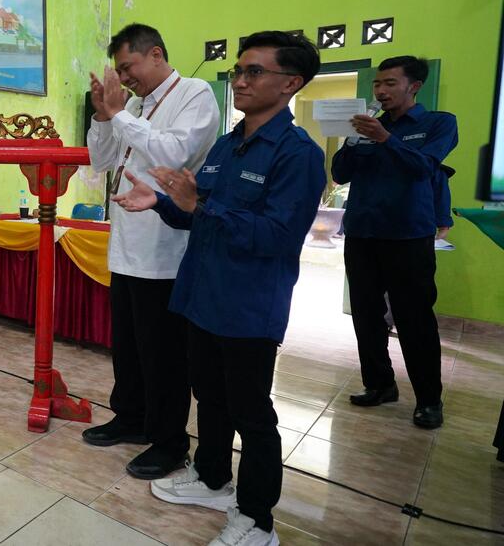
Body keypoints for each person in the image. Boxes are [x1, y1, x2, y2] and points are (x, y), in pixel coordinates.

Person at [113, 31, 326, 546]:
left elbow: (276, 236)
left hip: (249, 305)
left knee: (252, 413)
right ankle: (211, 478)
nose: (242, 80)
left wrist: (197, 206)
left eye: (255, 71)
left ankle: (256, 519)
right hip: (200, 296)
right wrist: (160, 203)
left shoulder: (297, 154)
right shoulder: (229, 145)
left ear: (290, 82)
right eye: (239, 70)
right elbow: (196, 214)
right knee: (208, 395)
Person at [83, 23, 220, 480]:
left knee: (162, 354)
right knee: (128, 347)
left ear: (156, 53)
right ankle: (131, 417)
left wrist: (121, 115)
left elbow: (174, 153)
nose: (124, 78)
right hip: (126, 245)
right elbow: (102, 161)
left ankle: (168, 441)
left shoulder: (195, 95)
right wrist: (104, 115)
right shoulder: (135, 106)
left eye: (129, 67)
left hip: (166, 251)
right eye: (119, 71)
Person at [333, 56, 457, 429]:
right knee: (366, 316)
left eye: (389, 83)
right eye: (377, 85)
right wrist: (352, 142)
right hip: (362, 233)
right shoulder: (368, 125)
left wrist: (385, 139)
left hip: (407, 235)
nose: (381, 91)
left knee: (414, 319)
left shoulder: (439, 123)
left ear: (413, 86)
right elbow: (339, 174)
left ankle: (429, 400)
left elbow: (424, 168)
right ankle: (380, 384)